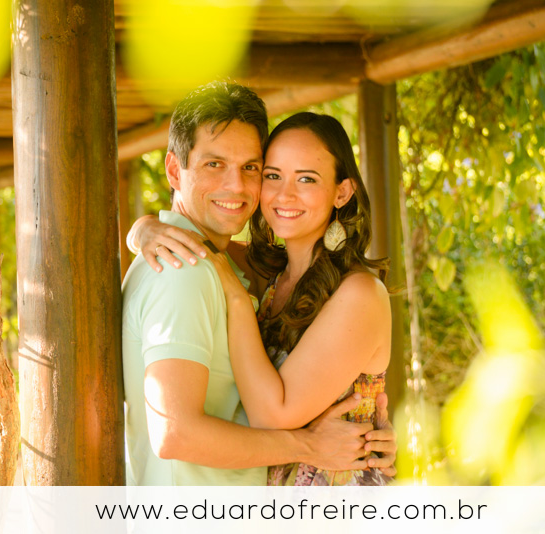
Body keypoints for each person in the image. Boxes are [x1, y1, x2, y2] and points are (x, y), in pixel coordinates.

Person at [122, 81, 395, 486]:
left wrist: (236, 298)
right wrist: (143, 229)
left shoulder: (357, 293)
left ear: (342, 192)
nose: (284, 194)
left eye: (306, 179)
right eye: (272, 175)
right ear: (175, 171)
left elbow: (272, 414)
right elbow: (193, 238)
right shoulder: (250, 269)